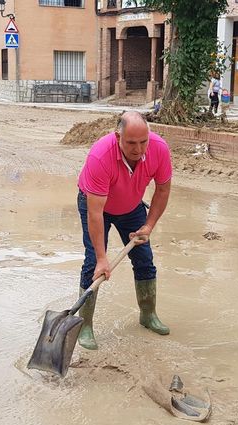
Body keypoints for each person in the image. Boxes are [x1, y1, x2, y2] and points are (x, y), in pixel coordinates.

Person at [75, 111, 172, 350]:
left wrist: (148, 226)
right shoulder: (101, 155)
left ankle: (148, 315)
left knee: (144, 260)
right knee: (92, 264)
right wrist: (102, 258)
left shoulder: (159, 149)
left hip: (131, 206)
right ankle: (84, 325)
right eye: (131, 143)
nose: (138, 149)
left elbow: (162, 190)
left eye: (143, 142)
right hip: (97, 205)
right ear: (118, 136)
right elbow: (95, 213)